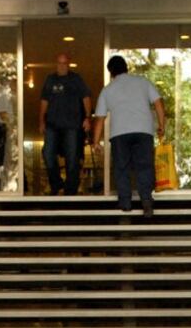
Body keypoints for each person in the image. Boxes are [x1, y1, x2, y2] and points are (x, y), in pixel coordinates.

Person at [91, 55, 166, 216]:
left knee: (121, 168)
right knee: (144, 166)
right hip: (143, 131)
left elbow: (100, 119)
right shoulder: (143, 82)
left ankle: (125, 203)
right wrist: (161, 125)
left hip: (119, 133)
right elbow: (158, 103)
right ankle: (146, 200)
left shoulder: (107, 90)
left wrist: (96, 141)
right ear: (126, 67)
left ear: (110, 72)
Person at [38, 53, 91, 195]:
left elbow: (86, 98)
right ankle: (56, 184)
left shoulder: (76, 79)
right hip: (52, 125)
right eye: (59, 63)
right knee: (48, 153)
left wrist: (87, 117)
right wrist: (41, 120)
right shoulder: (50, 80)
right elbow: (44, 101)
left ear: (69, 64)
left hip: (72, 125)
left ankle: (71, 189)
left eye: (64, 63)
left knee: (72, 157)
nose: (61, 66)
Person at [0, 78, 14, 169]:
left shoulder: (6, 95)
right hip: (3, 128)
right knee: (3, 157)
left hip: (4, 128)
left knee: (5, 157)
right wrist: (13, 125)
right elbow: (3, 114)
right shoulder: (1, 95)